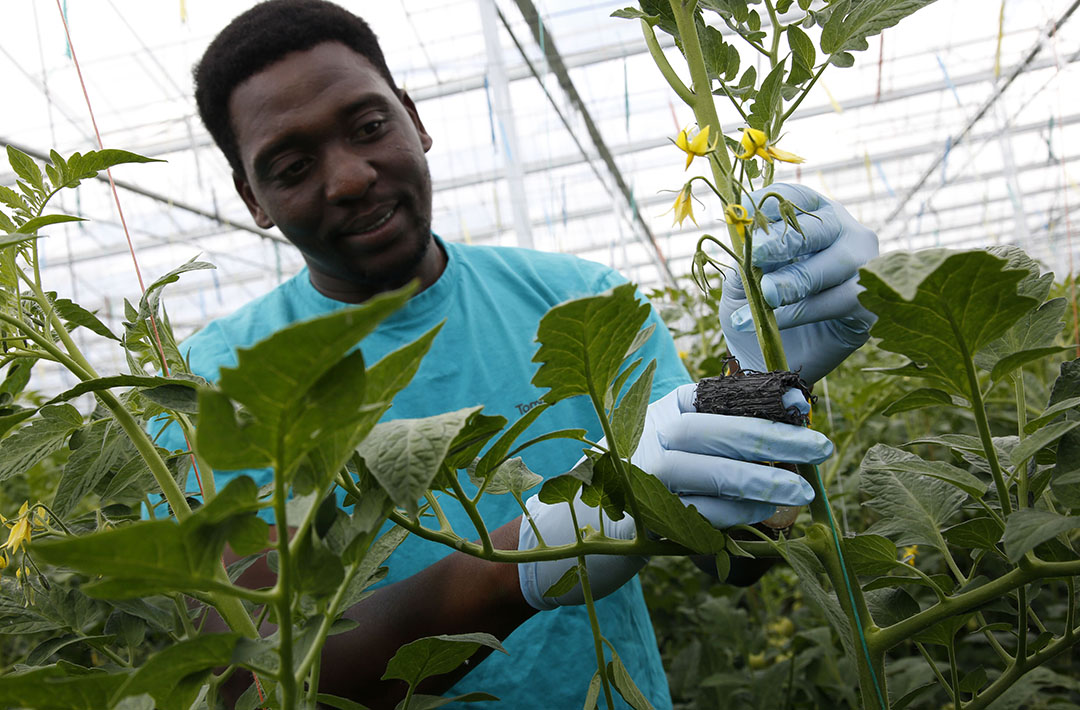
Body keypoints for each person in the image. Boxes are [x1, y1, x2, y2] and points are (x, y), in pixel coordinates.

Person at [155, 1, 878, 707]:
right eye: (291, 167)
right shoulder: (207, 386)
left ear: (417, 118)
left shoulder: (583, 303)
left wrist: (762, 383)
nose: (348, 178)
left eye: (370, 126)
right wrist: (529, 560)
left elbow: (746, 553)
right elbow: (260, 676)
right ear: (252, 198)